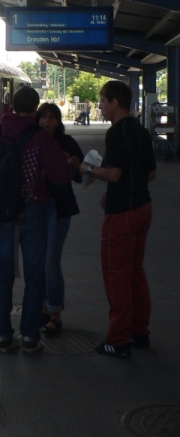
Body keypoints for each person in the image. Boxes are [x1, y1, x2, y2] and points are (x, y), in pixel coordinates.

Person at [0, 86, 75, 354]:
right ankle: (30, 336)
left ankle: (2, 336)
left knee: (3, 276)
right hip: (32, 212)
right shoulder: (40, 136)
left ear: (11, 105)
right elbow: (58, 175)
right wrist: (70, 165)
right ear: (35, 108)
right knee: (34, 275)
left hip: (0, 215)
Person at [80, 80, 156, 358]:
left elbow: (113, 173)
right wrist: (117, 189)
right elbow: (150, 174)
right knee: (135, 271)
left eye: (103, 101)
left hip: (122, 213)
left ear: (115, 103)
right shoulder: (140, 131)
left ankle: (118, 339)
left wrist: (87, 168)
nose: (100, 106)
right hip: (142, 207)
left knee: (117, 275)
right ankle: (139, 330)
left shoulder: (116, 132)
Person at [35, 103, 83, 336]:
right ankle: (44, 308)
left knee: (51, 261)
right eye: (43, 117)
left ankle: (55, 313)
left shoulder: (67, 142)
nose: (47, 121)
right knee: (40, 260)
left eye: (52, 117)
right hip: (36, 208)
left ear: (58, 121)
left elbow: (81, 172)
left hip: (59, 207)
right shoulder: (33, 141)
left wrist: (71, 161)